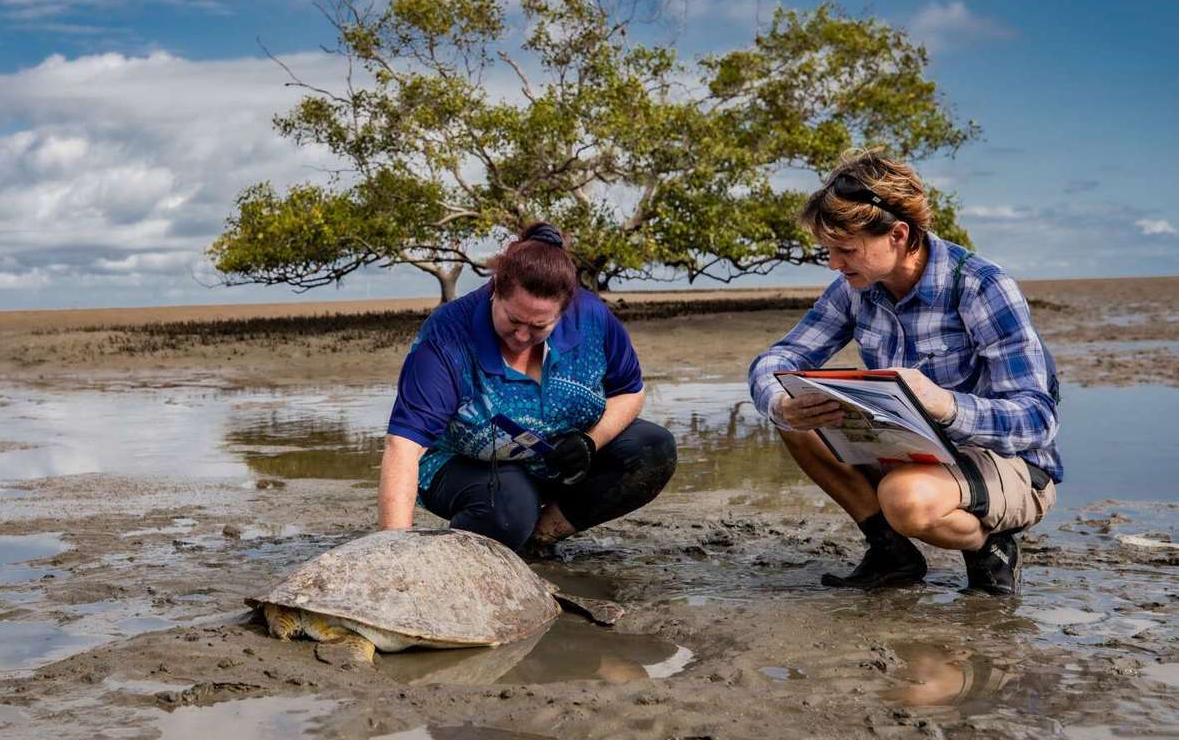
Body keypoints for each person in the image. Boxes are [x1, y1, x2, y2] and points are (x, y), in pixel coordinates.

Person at [748, 150, 1061, 596]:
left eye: (845, 250)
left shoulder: (980, 286)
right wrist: (780, 402)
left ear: (898, 234)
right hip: (911, 450)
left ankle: (989, 546)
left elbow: (1037, 421)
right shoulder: (853, 290)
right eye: (829, 251)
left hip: (1009, 464)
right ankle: (891, 553)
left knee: (905, 498)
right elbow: (777, 358)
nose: (834, 264)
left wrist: (944, 404)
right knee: (797, 421)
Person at [378, 222, 677, 553]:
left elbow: (630, 392)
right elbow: (404, 446)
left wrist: (590, 442)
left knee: (653, 448)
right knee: (508, 509)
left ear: (564, 311)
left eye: (538, 326)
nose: (521, 337)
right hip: (461, 463)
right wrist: (395, 554)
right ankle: (479, 547)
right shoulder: (447, 338)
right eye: (513, 320)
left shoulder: (592, 317)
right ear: (495, 291)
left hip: (553, 459)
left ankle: (541, 536)